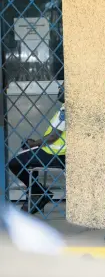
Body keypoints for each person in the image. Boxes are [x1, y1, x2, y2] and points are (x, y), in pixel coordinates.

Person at [8, 85, 66, 214]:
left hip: (55, 154)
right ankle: (36, 193)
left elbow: (53, 136)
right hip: (53, 151)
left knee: (15, 163)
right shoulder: (66, 108)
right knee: (26, 158)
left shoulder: (66, 110)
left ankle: (38, 193)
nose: (59, 89)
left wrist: (34, 144)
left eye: (63, 87)